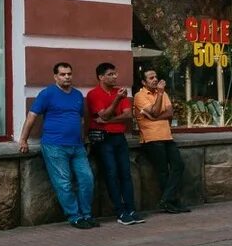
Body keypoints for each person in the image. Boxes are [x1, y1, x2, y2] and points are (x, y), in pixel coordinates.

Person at [19, 62, 96, 229]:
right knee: (64, 183)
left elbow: (81, 120)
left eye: (69, 74)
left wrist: (84, 139)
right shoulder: (47, 94)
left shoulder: (77, 95)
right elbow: (32, 116)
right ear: (55, 77)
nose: (67, 77)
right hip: (55, 146)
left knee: (87, 179)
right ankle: (74, 216)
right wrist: (23, 140)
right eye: (62, 74)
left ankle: (87, 214)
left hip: (77, 146)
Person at [85, 62, 144, 226]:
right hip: (103, 140)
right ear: (101, 77)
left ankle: (131, 209)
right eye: (110, 74)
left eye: (115, 74)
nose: (115, 77)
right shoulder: (94, 94)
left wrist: (108, 119)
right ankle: (120, 211)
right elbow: (103, 114)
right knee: (111, 174)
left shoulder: (121, 92)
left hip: (119, 137)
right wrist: (117, 100)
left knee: (125, 173)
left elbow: (128, 115)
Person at [134, 69, 190, 214]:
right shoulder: (140, 96)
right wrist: (158, 98)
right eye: (151, 78)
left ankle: (166, 199)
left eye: (156, 76)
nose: (155, 79)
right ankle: (171, 202)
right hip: (152, 138)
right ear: (143, 82)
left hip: (167, 136)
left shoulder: (163, 93)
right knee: (163, 171)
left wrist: (156, 117)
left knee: (178, 165)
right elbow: (154, 110)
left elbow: (169, 113)